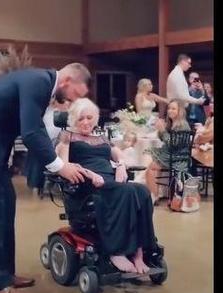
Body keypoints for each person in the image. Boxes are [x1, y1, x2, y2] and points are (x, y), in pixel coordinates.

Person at [0, 63, 91, 293]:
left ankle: (6, 274)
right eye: (75, 95)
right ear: (67, 81)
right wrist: (61, 166)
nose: (71, 101)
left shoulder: (40, 81)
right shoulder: (39, 82)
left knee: (6, 204)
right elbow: (31, 132)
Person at [56, 98, 158, 274]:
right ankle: (116, 251)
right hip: (87, 184)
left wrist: (120, 166)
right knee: (125, 190)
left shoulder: (101, 137)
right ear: (74, 119)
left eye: (89, 117)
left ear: (95, 118)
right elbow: (64, 165)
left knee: (142, 191)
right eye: (81, 118)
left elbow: (118, 154)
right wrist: (89, 174)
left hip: (111, 179)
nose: (86, 122)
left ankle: (139, 252)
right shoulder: (67, 136)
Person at [145, 100, 191, 204]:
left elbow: (173, 143)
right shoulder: (173, 123)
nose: (170, 110)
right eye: (169, 108)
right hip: (171, 153)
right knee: (151, 163)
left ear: (180, 111)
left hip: (176, 155)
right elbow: (164, 139)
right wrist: (161, 130)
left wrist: (163, 131)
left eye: (173, 108)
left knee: (150, 169)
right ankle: (156, 194)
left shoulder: (182, 125)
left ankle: (154, 196)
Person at [157, 54, 205, 131]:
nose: (190, 66)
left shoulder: (178, 73)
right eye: (188, 63)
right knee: (179, 134)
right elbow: (182, 95)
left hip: (178, 107)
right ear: (182, 62)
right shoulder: (177, 74)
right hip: (177, 109)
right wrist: (197, 101)